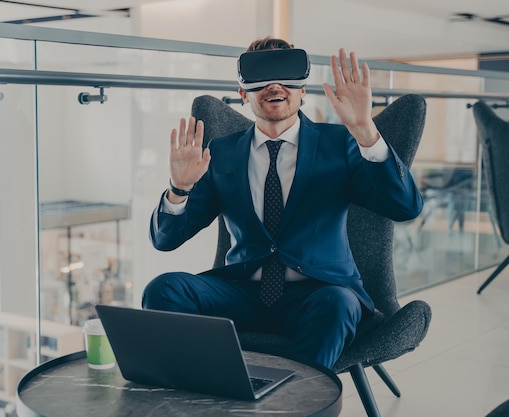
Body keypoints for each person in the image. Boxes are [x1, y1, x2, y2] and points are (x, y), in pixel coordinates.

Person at [142, 37, 423, 369]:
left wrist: (365, 132)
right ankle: (207, 385)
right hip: (243, 292)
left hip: (318, 293)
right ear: (244, 92)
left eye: (285, 75)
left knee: (337, 303)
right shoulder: (221, 153)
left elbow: (405, 208)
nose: (274, 85)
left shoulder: (340, 144)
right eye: (261, 77)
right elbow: (166, 240)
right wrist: (179, 188)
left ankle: (293, 403)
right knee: (163, 289)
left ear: (302, 89)